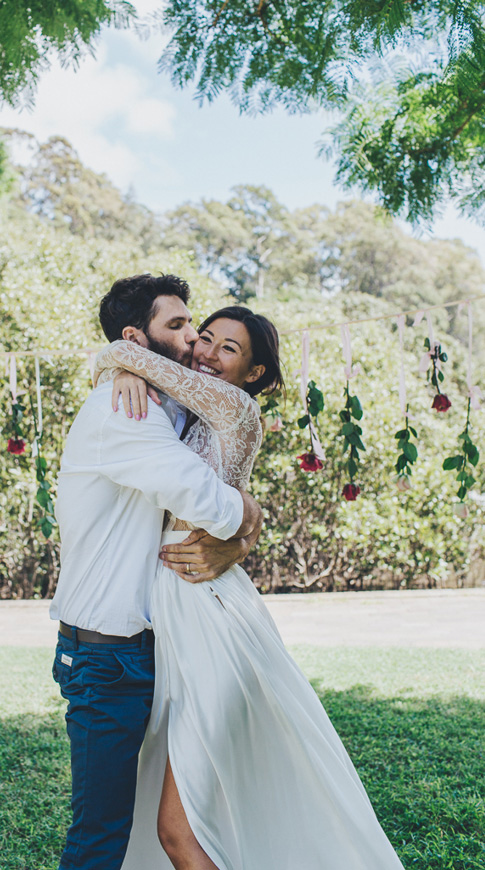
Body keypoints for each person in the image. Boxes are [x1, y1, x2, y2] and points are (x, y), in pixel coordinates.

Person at [93, 305, 405, 870]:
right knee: (177, 815)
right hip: (174, 621)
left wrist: (122, 360)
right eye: (205, 338)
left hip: (210, 619)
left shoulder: (235, 410)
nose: (207, 352)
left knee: (178, 833)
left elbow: (121, 350)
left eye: (228, 349)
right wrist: (129, 374)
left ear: (253, 374)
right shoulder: (181, 413)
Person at [50, 275, 264, 870]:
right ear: (135, 336)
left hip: (147, 645)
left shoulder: (158, 403)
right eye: (179, 326)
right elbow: (208, 502)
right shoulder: (126, 410)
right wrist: (251, 516)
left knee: (145, 821)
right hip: (104, 657)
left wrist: (123, 363)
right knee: (100, 834)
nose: (194, 338)